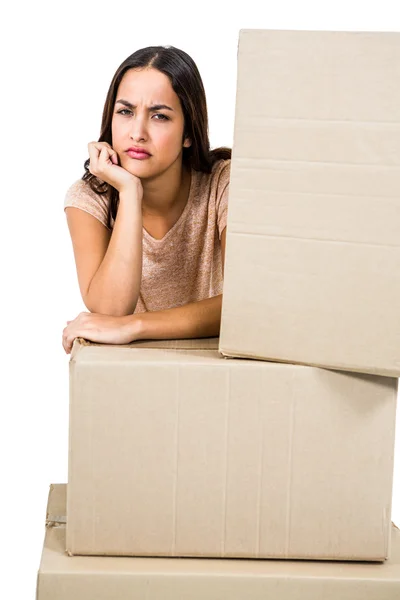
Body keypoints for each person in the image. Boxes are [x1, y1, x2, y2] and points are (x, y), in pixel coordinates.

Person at [62, 45, 231, 354]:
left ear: (188, 133)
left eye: (159, 116)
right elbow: (111, 311)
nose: (137, 132)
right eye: (125, 112)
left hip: (219, 369)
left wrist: (136, 325)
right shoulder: (89, 198)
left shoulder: (224, 184)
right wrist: (129, 192)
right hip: (138, 374)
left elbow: (250, 300)